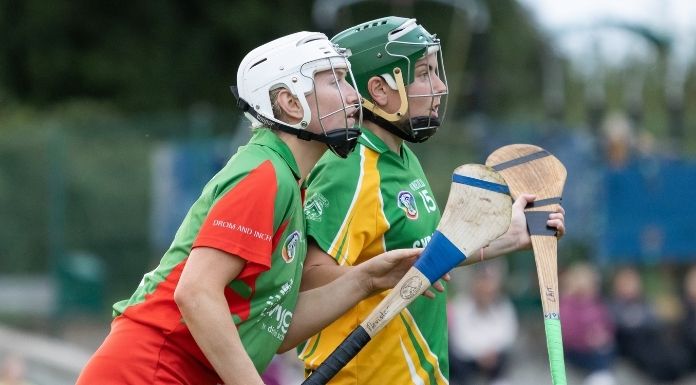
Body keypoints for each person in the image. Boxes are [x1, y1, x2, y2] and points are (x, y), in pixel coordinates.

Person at [76, 31, 425, 385]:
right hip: (147, 371)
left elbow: (275, 331)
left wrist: (366, 279)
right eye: (334, 81)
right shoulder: (265, 175)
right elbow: (195, 293)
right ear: (290, 102)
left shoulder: (288, 180)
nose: (354, 95)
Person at [298, 16, 565, 384]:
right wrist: (376, 279)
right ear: (379, 89)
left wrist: (511, 235)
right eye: (423, 73)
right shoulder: (350, 168)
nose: (439, 86)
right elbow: (309, 279)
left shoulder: (402, 158)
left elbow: (420, 257)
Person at [448, 262, 518, 385]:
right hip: (468, 361)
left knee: (505, 358)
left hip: (495, 358)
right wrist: (481, 354)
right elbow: (460, 340)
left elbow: (508, 334)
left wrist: (491, 351)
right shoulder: (461, 306)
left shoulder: (504, 306)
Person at [560, 263, 616, 385]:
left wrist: (604, 336)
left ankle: (601, 376)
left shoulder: (597, 303)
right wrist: (587, 339)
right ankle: (601, 377)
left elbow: (609, 325)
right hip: (577, 350)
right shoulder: (567, 305)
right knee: (599, 357)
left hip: (600, 348)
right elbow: (567, 332)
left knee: (606, 352)